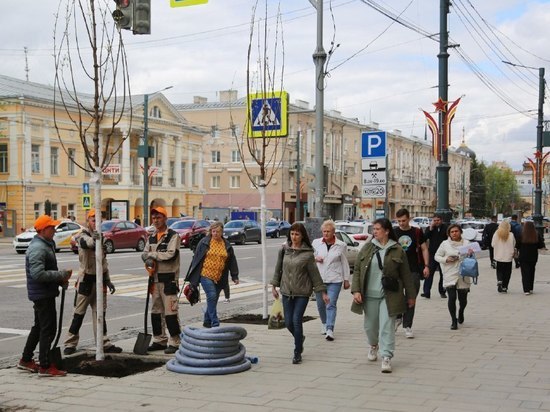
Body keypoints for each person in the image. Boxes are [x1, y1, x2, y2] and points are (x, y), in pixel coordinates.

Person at [351, 218, 415, 373]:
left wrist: (411, 295)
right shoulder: (367, 248)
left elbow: (406, 274)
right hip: (369, 295)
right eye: (374, 229)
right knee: (370, 326)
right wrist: (356, 290)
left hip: (390, 295)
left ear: (386, 231)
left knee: (387, 326)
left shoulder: (397, 249)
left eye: (378, 229)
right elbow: (358, 269)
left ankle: (386, 356)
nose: (375, 232)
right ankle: (373, 345)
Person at [19, 215, 72, 377]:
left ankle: (26, 359)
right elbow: (37, 274)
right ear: (42, 230)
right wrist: (60, 275)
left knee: (39, 327)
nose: (55, 230)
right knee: (48, 328)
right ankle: (45, 366)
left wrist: (60, 280)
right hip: (42, 294)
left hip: (44, 292)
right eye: (52, 228)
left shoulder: (45, 244)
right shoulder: (38, 247)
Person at [63, 210, 122, 355]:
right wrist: (94, 239)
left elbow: (103, 260)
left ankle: (103, 342)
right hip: (86, 281)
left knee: (100, 314)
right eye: (93, 219)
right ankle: (70, 343)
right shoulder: (82, 234)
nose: (96, 222)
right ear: (87, 220)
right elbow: (84, 243)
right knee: (78, 314)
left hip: (100, 280)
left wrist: (108, 280)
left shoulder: (101, 236)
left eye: (98, 220)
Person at [271, 222, 329, 365]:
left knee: (296, 320)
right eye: (292, 233)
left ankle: (297, 351)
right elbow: (278, 268)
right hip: (286, 291)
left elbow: (314, 274)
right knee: (289, 322)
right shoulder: (284, 250)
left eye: (297, 234)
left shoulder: (308, 254)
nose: (294, 236)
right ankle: (300, 337)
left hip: (302, 292)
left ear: (302, 236)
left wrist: (322, 292)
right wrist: (274, 285)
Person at [141, 206, 182, 354]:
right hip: (155, 279)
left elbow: (170, 255)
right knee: (156, 311)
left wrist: (153, 255)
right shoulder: (151, 236)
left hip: (168, 279)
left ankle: (175, 341)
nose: (156, 221)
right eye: (154, 218)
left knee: (171, 311)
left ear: (165, 218)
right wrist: (147, 259)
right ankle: (159, 340)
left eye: (158, 217)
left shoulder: (173, 236)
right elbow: (145, 253)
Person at [186, 221, 239, 328]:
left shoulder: (226, 245)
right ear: (211, 231)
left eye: (218, 231)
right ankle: (215, 323)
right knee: (212, 295)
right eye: (213, 231)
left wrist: (235, 276)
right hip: (205, 274)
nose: (215, 233)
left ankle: (206, 321)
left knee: (213, 300)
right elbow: (196, 258)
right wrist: (194, 278)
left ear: (222, 232)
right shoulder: (205, 242)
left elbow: (232, 261)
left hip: (219, 277)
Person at [393, 209, 430, 338]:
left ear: (409, 219)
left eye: (403, 220)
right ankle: (398, 317)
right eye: (399, 221)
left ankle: (407, 325)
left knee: (411, 297)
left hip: (413, 269)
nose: (401, 223)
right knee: (397, 296)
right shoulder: (394, 232)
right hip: (396, 270)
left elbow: (424, 249)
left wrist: (426, 266)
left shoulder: (417, 232)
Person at [312, 219, 350, 341]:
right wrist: (315, 258)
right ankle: (324, 323)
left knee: (330, 304)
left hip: (335, 279)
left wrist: (346, 279)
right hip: (319, 279)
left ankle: (330, 329)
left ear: (333, 232)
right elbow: (308, 257)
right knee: (320, 305)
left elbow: (344, 262)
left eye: (328, 231)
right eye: (324, 231)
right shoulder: (316, 243)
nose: (326, 234)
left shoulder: (341, 245)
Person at [434, 224, 474, 330]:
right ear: (449, 234)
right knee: (451, 298)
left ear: (460, 232)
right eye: (452, 232)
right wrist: (446, 259)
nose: (454, 233)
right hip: (449, 273)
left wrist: (470, 254)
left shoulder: (466, 243)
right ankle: (453, 320)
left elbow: (473, 258)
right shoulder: (445, 244)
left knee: (463, 299)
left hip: (463, 274)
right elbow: (437, 256)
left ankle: (461, 312)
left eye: (456, 231)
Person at [517, 221, 546, 295]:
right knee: (531, 271)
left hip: (523, 256)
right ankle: (530, 288)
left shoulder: (521, 234)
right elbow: (540, 245)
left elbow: (517, 245)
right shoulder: (536, 234)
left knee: (525, 273)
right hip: (533, 256)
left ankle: (526, 289)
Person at [423, 213, 448, 299]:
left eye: (438, 220)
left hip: (443, 254)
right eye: (435, 220)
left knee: (443, 274)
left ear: (441, 220)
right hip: (432, 254)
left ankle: (442, 291)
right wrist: (430, 228)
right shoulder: (430, 228)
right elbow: (424, 238)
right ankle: (426, 292)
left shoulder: (446, 228)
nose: (436, 222)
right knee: (429, 273)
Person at [491, 220, 516, 293]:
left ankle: (499, 280)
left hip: (499, 255)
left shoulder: (496, 234)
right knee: (507, 272)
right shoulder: (511, 235)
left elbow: (492, 244)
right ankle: (505, 286)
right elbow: (514, 244)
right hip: (508, 256)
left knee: (499, 270)